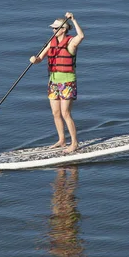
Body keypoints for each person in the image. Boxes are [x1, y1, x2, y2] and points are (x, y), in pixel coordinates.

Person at [30, 12, 85, 153]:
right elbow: (40, 58)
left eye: (56, 28)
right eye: (53, 28)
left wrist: (74, 19)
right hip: (53, 82)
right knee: (55, 113)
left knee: (65, 112)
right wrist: (34, 60)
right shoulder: (50, 42)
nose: (53, 30)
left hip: (67, 82)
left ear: (63, 29)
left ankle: (74, 143)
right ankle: (61, 140)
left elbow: (82, 36)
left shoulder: (71, 42)